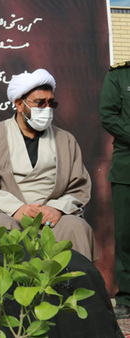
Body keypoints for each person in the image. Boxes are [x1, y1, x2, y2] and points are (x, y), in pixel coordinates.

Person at [0, 68, 96, 261]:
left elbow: (78, 188)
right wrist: (17, 209)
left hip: (51, 217)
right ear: (19, 104)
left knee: (76, 227)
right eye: (40, 103)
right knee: (1, 227)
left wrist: (57, 209)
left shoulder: (66, 140)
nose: (47, 109)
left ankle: (70, 281)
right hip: (6, 212)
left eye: (51, 103)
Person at [100, 61, 130, 318]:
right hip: (126, 169)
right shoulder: (119, 75)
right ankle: (126, 297)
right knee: (125, 234)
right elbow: (108, 115)